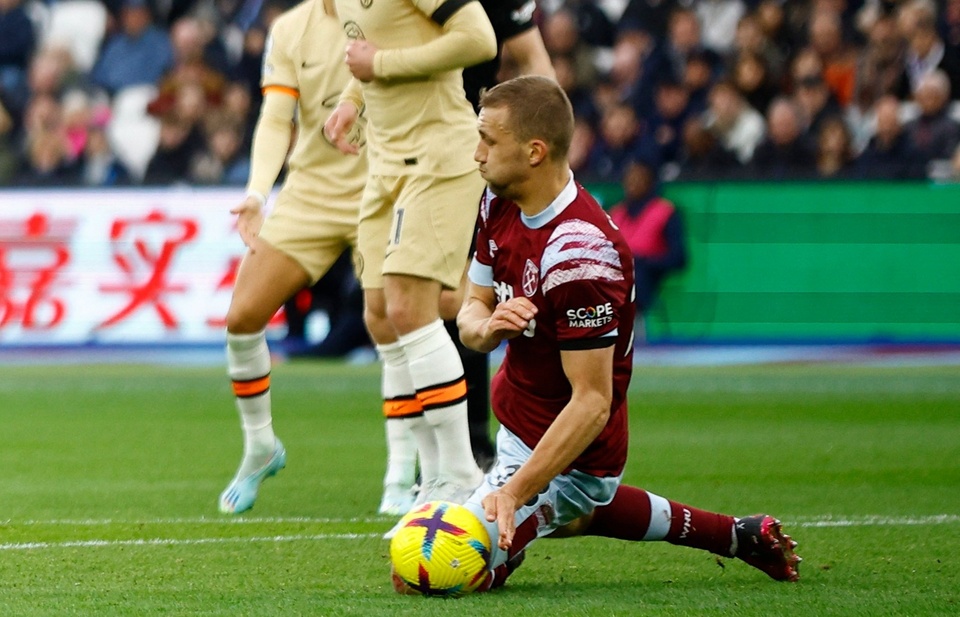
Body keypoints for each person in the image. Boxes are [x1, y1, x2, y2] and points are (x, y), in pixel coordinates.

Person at [405, 75, 801, 592]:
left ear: (534, 152)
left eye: (488, 140)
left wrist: (515, 492)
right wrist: (487, 327)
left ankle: (525, 518)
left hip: (575, 453)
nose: (476, 153)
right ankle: (737, 534)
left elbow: (592, 402)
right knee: (573, 515)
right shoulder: (497, 201)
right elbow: (470, 313)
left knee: (434, 570)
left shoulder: (578, 253)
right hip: (518, 430)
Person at [218, 0, 404, 515]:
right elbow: (276, 118)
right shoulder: (290, 28)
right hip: (311, 192)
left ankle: (401, 471)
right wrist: (257, 193)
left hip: (384, 185)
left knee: (389, 322)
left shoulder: (393, 11)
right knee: (243, 316)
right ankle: (260, 445)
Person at [323, 0, 497, 520]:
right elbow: (369, 48)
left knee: (408, 306)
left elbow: (479, 41)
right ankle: (429, 478)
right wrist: (354, 98)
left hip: (439, 155)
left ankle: (463, 474)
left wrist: (380, 67)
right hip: (385, 162)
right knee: (380, 314)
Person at [608, 154, 687, 329]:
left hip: (649, 275)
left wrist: (644, 261)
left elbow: (679, 258)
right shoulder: (616, 213)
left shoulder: (666, 212)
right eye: (630, 177)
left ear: (650, 181)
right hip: (616, 276)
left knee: (637, 271)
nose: (633, 182)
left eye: (639, 177)